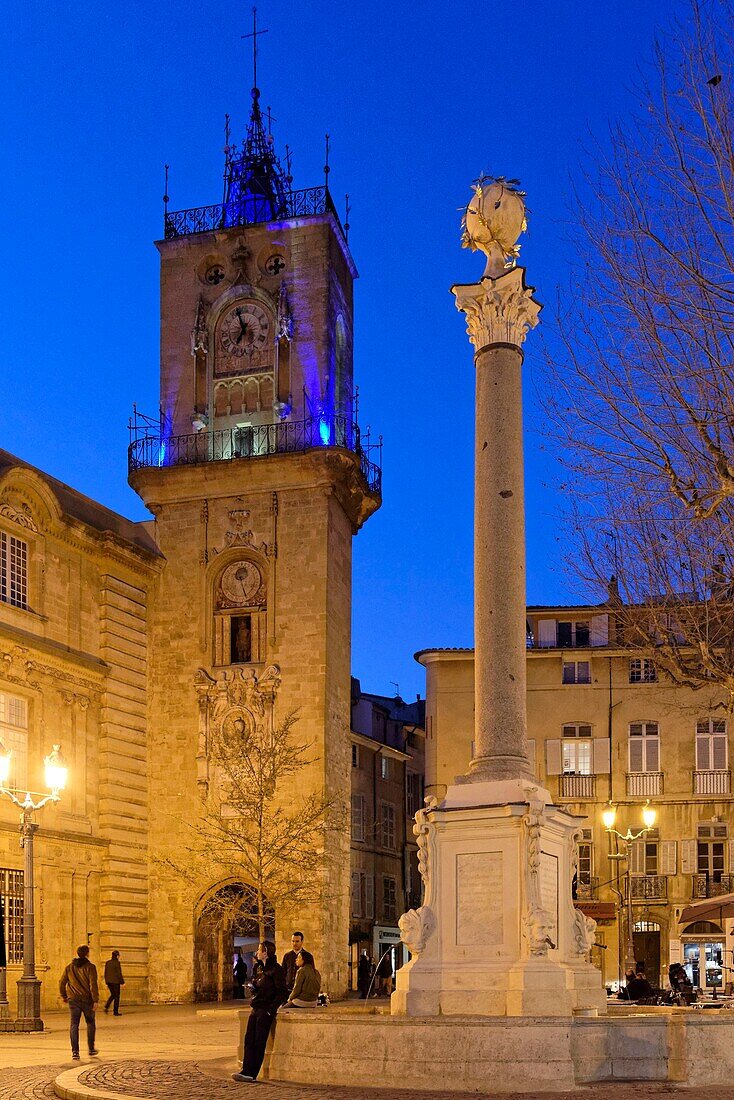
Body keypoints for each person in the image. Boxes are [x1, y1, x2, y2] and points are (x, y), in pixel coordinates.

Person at [232, 940, 287, 1083]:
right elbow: (258, 983)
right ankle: (246, 1070)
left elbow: (281, 992)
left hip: (265, 1010)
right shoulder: (259, 968)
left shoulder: (276, 970)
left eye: (259, 949)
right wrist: (254, 988)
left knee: (259, 1041)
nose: (257, 952)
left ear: (266, 953)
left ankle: (252, 1073)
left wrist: (271, 1009)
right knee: (249, 1039)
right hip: (256, 1007)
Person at [59, 945, 99, 1060]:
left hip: (73, 1000)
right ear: (87, 953)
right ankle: (91, 1048)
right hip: (87, 1000)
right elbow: (93, 985)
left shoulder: (69, 967)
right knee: (90, 1022)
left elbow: (62, 983)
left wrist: (64, 996)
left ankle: (75, 1052)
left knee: (74, 1024)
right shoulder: (91, 967)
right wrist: (95, 1000)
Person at [103, 950, 124, 1016]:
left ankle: (106, 1006)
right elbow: (118, 973)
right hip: (115, 982)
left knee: (113, 995)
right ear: (117, 956)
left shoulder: (107, 963)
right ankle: (115, 1012)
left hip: (109, 981)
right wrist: (122, 982)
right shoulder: (117, 963)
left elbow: (105, 972)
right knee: (116, 996)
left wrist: (106, 981)